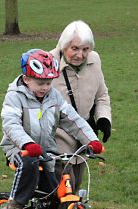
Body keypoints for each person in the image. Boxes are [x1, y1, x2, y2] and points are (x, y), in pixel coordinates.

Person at [0, 48, 103, 209]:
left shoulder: (53, 97)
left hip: (46, 149)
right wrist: (26, 144)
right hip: (20, 148)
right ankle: (16, 202)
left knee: (52, 191)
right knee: (29, 163)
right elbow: (11, 124)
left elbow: (73, 120)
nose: (45, 88)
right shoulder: (15, 96)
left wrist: (91, 140)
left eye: (49, 83)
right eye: (40, 83)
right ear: (26, 79)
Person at [50, 20, 112, 192]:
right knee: (61, 192)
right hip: (56, 139)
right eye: (75, 48)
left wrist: (103, 119)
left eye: (85, 49)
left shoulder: (95, 60)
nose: (80, 55)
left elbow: (102, 96)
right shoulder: (48, 63)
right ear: (64, 46)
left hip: (84, 138)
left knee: (75, 188)